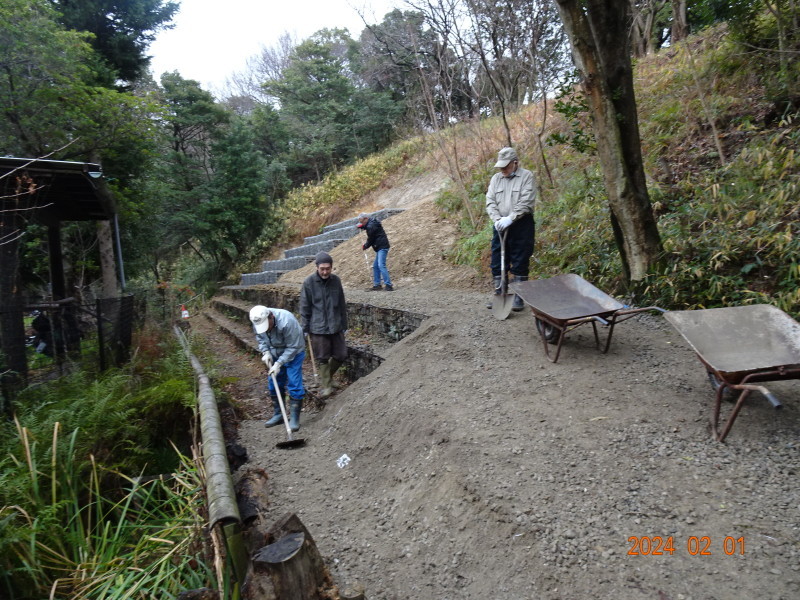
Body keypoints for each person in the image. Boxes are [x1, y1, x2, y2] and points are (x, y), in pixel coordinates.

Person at [485, 147, 537, 311]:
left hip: (521, 224)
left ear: (515, 163)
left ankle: (519, 298)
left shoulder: (527, 176)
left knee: (520, 260)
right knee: (497, 261)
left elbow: (526, 200)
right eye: (500, 166)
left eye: (506, 166)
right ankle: (500, 294)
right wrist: (497, 219)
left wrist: (511, 218)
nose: (503, 170)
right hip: (500, 225)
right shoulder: (496, 179)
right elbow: (490, 200)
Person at [249, 305, 306, 431]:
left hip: (294, 352)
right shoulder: (256, 320)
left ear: (271, 317)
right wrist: (265, 352)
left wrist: (279, 363)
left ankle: (295, 418)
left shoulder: (287, 321)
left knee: (294, 383)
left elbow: (293, 346)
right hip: (274, 352)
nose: (266, 328)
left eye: (267, 325)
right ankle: (279, 414)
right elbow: (260, 338)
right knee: (274, 382)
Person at [300, 251, 348, 398]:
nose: (325, 271)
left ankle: (327, 377)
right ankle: (327, 386)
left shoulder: (336, 281)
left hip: (335, 325)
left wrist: (344, 324)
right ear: (317, 267)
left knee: (341, 354)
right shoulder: (308, 283)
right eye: (322, 269)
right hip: (318, 327)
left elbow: (341, 303)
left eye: (328, 268)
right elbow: (304, 306)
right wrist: (305, 327)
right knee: (322, 357)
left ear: (332, 267)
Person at [357, 212, 393, 291]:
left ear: (366, 218)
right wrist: (362, 226)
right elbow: (369, 227)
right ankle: (377, 285)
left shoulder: (371, 225)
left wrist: (365, 246)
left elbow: (371, 238)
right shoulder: (371, 223)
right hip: (380, 246)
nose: (361, 223)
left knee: (381, 265)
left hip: (382, 246)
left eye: (362, 221)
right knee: (376, 266)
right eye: (360, 222)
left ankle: (388, 285)